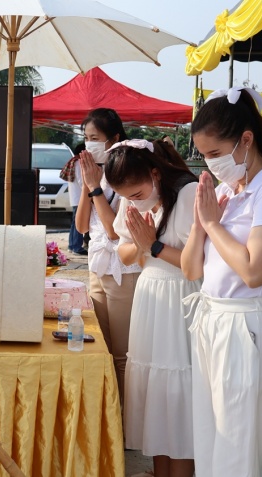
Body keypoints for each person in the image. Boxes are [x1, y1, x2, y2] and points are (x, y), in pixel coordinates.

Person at [181, 87, 262, 476]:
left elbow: (254, 271)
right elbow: (191, 270)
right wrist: (201, 224)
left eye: (215, 153)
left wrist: (213, 224)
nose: (210, 163)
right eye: (204, 155)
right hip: (213, 319)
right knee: (209, 439)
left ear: (246, 140)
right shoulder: (227, 191)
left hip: (248, 326)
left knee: (236, 448)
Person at [105, 139, 200, 477]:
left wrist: (152, 245)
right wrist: (141, 244)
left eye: (137, 193)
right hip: (151, 295)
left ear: (156, 173)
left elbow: (197, 264)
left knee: (179, 392)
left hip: (181, 298)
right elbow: (124, 252)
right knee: (155, 392)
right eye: (126, 197)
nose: (132, 201)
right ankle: (160, 471)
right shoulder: (134, 199)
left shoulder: (187, 194)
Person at [74, 108, 140, 409]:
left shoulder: (127, 171)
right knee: (101, 348)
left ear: (114, 138)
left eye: (94, 138)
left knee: (123, 354)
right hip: (98, 269)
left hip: (124, 271)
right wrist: (88, 185)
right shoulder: (92, 173)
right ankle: (109, 416)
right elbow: (81, 226)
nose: (89, 144)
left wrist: (96, 188)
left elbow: (115, 231)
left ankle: (126, 421)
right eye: (86, 138)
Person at [62, 143, 87, 255]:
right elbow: (83, 182)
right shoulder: (79, 163)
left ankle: (72, 245)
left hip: (75, 197)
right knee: (78, 222)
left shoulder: (73, 162)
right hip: (80, 197)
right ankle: (76, 247)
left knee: (75, 222)